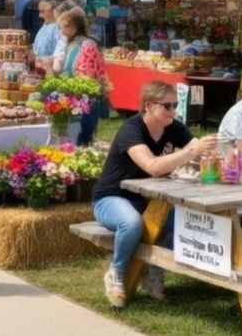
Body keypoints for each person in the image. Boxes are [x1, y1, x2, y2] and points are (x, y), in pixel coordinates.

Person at [93, 80, 219, 308]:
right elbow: (153, 166)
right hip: (112, 198)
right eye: (168, 106)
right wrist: (192, 151)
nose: (174, 111)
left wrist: (211, 150)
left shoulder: (173, 127)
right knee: (131, 224)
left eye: (176, 105)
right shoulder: (131, 130)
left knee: (186, 221)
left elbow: (198, 152)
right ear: (149, 106)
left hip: (149, 199)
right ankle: (117, 272)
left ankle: (153, 269)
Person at [57, 8, 109, 146]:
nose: (61, 31)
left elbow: (89, 73)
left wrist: (79, 89)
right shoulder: (72, 42)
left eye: (62, 27)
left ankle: (85, 142)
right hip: (73, 92)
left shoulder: (87, 44)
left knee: (84, 132)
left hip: (85, 95)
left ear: (72, 26)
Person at [33, 0, 60, 72]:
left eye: (42, 11)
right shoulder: (45, 25)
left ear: (52, 12)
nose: (39, 15)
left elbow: (58, 55)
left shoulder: (57, 29)